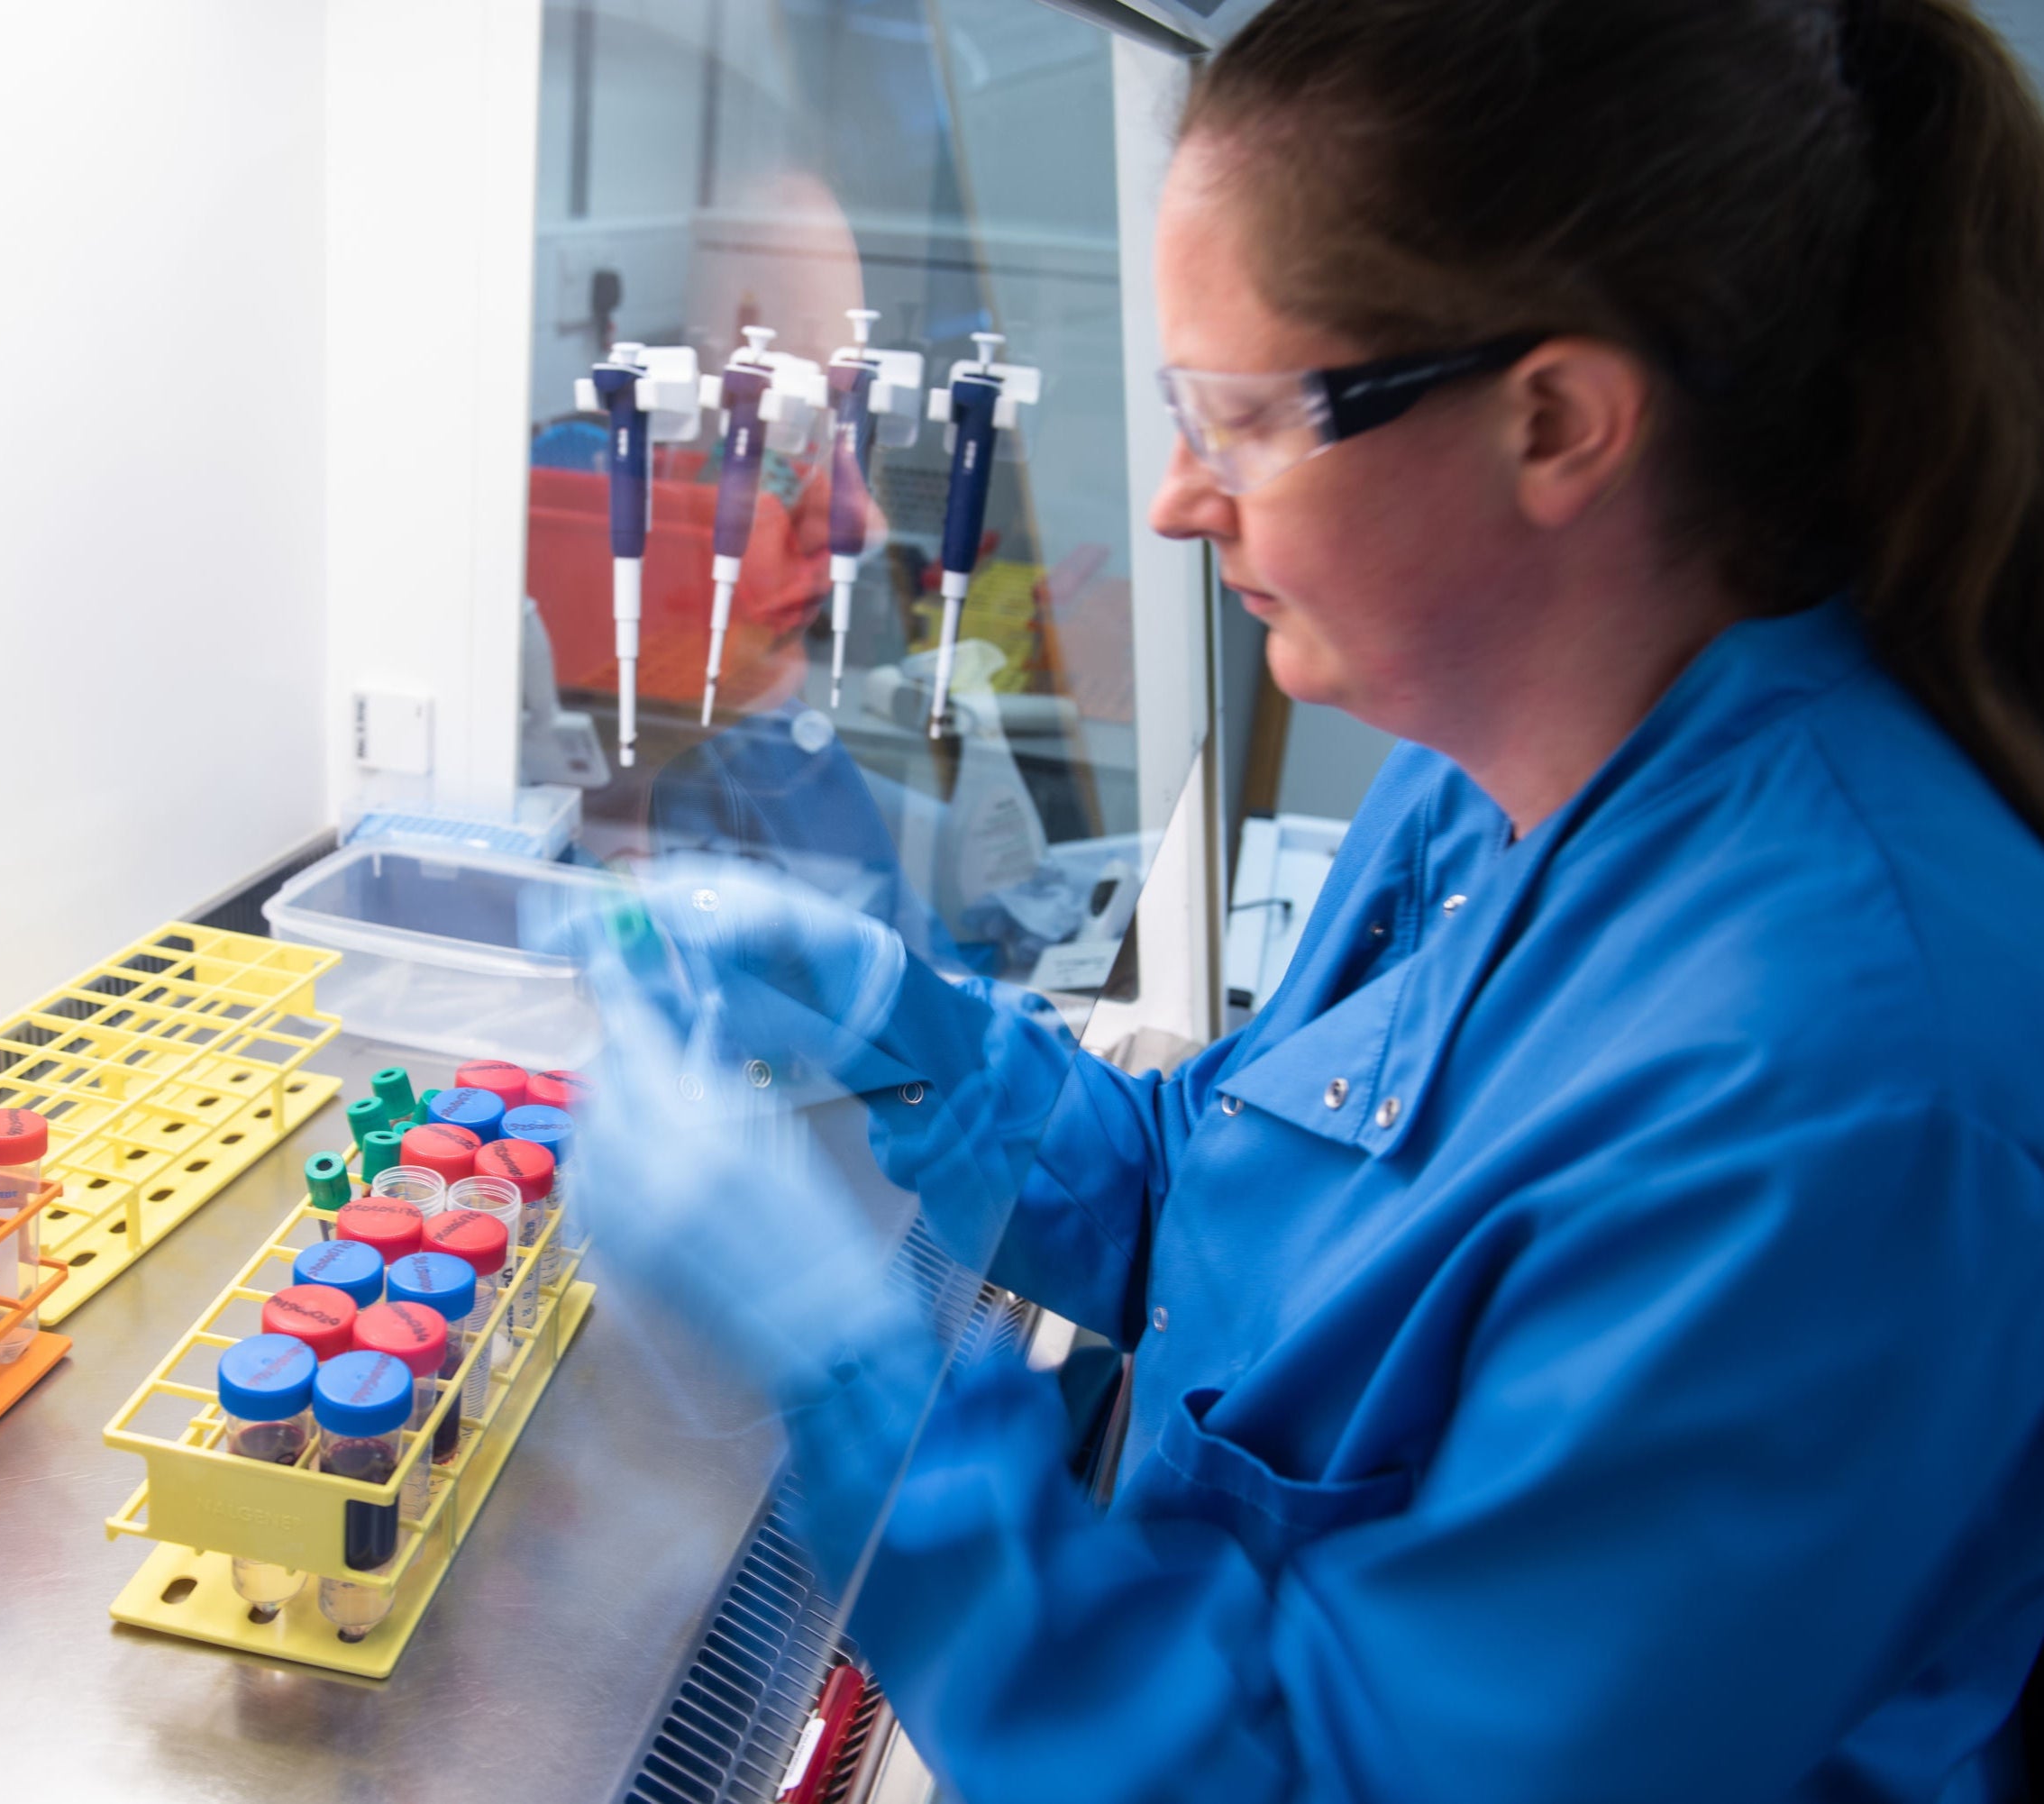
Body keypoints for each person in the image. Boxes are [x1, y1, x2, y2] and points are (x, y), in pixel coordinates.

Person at [564, 1, 2044, 1797]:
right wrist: (915, 1043)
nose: (1180, 498)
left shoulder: (1837, 1086)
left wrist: (863, 1390)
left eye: (1239, 418)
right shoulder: (1490, 751)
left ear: (1554, 421)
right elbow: (1228, 1190)